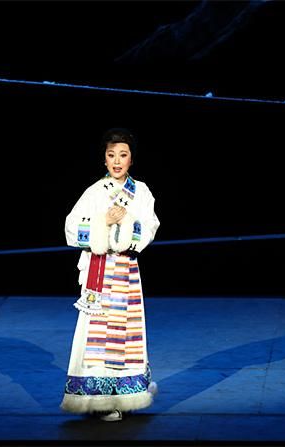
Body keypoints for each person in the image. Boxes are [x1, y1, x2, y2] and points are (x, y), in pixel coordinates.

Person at [60, 128, 161, 422]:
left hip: (126, 270)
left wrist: (126, 224)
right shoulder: (94, 192)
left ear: (131, 159)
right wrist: (103, 221)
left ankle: (126, 394)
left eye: (123, 155)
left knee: (127, 333)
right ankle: (99, 399)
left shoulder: (141, 192)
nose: (117, 161)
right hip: (100, 272)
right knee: (97, 334)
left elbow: (150, 226)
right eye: (111, 155)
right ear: (104, 159)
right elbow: (71, 228)